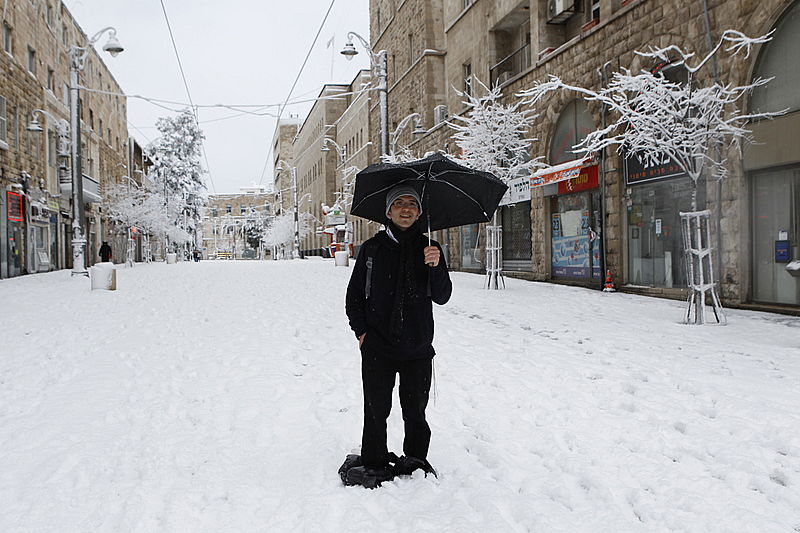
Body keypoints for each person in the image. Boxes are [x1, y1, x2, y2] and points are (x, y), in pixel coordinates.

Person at [343, 185, 452, 488]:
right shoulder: (372, 249)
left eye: (412, 205)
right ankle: (374, 460)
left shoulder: (430, 249)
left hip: (418, 347)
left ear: (419, 212)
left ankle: (416, 458)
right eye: (399, 204)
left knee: (415, 408)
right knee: (376, 407)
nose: (406, 210)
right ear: (388, 212)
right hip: (378, 345)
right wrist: (362, 332)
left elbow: (443, 296)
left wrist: (436, 266)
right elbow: (354, 297)